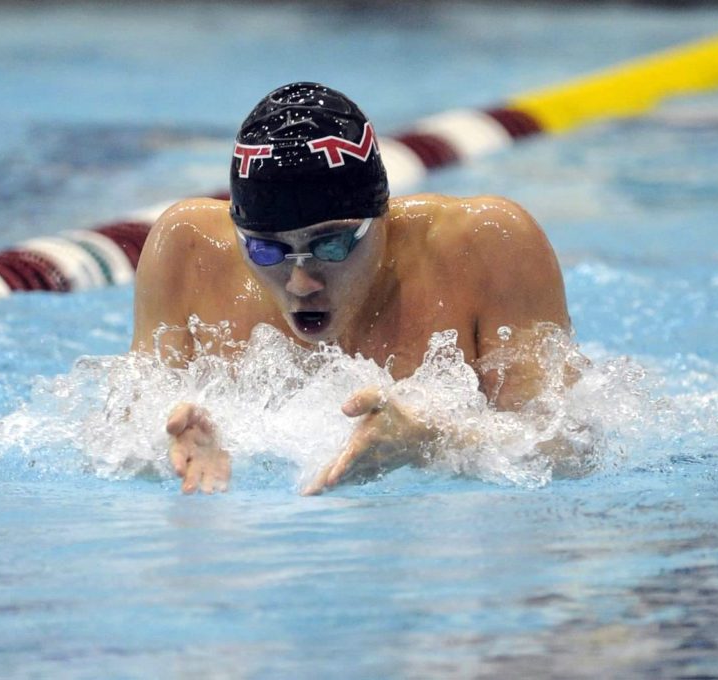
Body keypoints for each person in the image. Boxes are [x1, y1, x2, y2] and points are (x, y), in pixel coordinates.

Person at [130, 82, 575, 495]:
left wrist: (432, 438)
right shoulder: (187, 250)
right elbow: (117, 433)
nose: (302, 282)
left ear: (381, 216)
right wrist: (162, 444)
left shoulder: (487, 245)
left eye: (332, 244)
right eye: (267, 252)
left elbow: (570, 446)